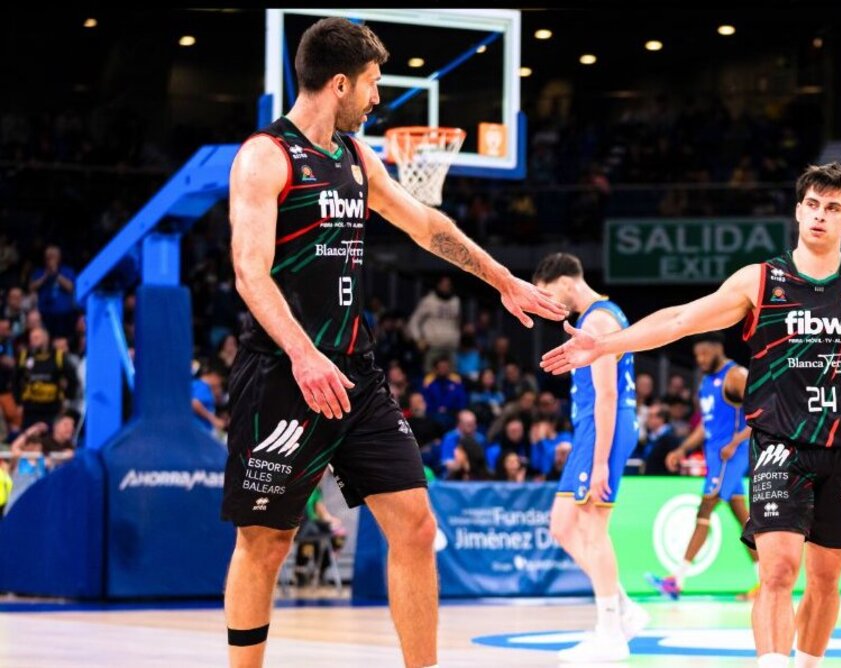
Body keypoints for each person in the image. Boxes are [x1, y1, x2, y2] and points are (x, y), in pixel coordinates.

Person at [222, 17, 566, 668]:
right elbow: (249, 271)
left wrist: (503, 280)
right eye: (374, 84)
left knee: (415, 526)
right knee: (264, 541)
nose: (378, 99)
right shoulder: (266, 156)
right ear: (341, 82)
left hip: (356, 373)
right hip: (282, 374)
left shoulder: (354, 157)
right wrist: (302, 352)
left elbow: (424, 223)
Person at [542, 163, 841, 668]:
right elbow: (681, 320)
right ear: (799, 212)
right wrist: (605, 344)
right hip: (779, 444)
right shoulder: (761, 280)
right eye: (813, 205)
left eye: (833, 208)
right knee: (777, 572)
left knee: (824, 583)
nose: (820, 215)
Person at [532, 252, 649, 663]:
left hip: (604, 429)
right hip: (592, 428)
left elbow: (608, 394)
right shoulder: (599, 315)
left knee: (593, 527)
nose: (549, 303)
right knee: (562, 526)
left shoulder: (597, 320)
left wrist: (599, 462)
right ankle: (626, 610)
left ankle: (610, 630)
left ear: (565, 281)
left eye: (547, 294)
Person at [647, 332, 758, 601]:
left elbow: (762, 414)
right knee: (744, 520)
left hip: (729, 457)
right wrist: (682, 448)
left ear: (717, 348)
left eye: (704, 354)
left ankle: (677, 580)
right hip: (716, 457)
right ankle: (765, 582)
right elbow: (705, 427)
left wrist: (736, 442)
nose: (700, 359)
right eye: (697, 356)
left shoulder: (736, 375)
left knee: (704, 509)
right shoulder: (706, 382)